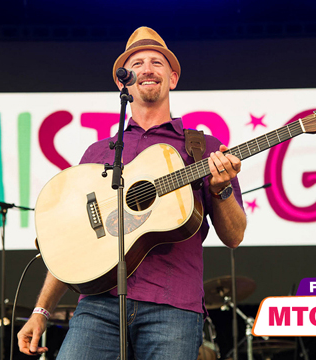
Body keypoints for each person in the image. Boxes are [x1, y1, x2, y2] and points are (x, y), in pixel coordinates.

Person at [18, 26, 247, 360]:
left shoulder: (203, 148)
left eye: (157, 62)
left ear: (172, 78)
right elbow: (70, 244)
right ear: (122, 81)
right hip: (98, 305)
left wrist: (222, 188)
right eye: (137, 63)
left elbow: (235, 236)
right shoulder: (99, 152)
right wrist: (41, 311)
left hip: (174, 306)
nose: (147, 68)